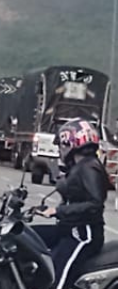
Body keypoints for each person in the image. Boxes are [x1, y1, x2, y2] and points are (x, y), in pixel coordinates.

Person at [35, 119, 109, 289]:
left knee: (56, 279)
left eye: (61, 145)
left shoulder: (89, 167)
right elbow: (74, 197)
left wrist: (58, 211)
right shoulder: (78, 166)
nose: (60, 150)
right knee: (29, 237)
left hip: (83, 235)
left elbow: (95, 204)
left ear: (71, 143)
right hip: (69, 229)